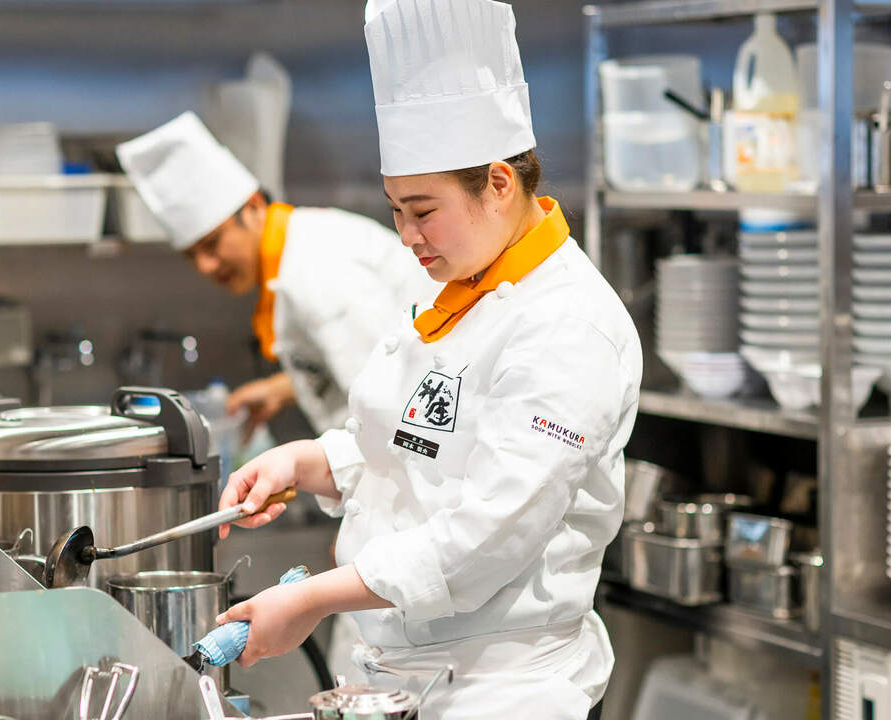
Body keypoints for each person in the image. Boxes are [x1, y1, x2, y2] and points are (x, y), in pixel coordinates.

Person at [212, 1, 642, 717]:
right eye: (394, 210)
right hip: (400, 673)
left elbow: (488, 537)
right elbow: (412, 449)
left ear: (500, 184)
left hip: (503, 691)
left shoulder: (569, 326)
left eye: (423, 209)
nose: (406, 235)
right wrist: (305, 461)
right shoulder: (454, 289)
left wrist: (313, 600)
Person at [117, 112, 437, 438]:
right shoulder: (298, 247)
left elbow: (389, 403)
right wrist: (283, 388)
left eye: (212, 244)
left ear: (253, 206)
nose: (205, 266)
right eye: (191, 256)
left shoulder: (316, 270)